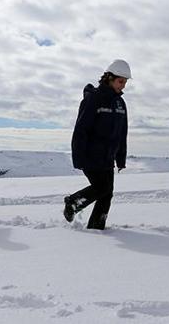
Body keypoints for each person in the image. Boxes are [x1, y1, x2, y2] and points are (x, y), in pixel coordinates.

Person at [64, 59, 130, 230]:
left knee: (107, 193)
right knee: (102, 187)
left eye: (125, 82)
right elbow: (81, 130)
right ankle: (73, 202)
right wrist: (78, 157)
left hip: (108, 157)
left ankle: (96, 227)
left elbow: (122, 134)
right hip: (91, 154)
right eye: (120, 81)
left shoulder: (120, 104)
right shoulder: (93, 99)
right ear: (109, 78)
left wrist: (120, 158)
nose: (123, 86)